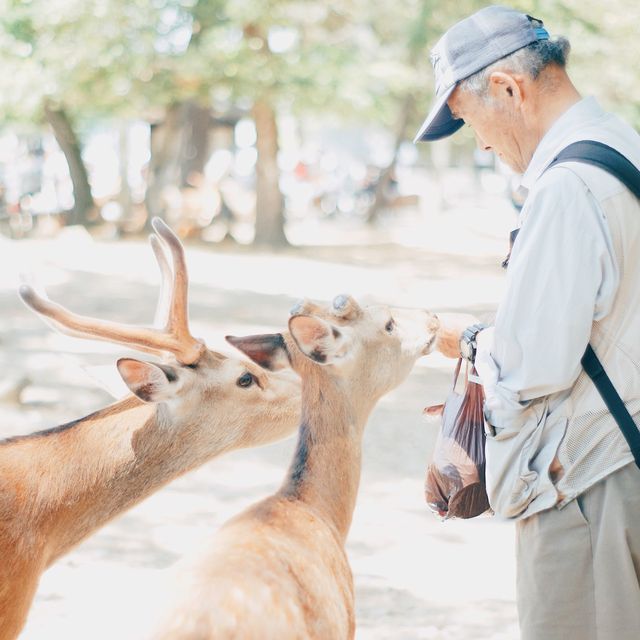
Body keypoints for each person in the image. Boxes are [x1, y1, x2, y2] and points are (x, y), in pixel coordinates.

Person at [414, 6, 640, 640]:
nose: (481, 143)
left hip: (590, 485)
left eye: (469, 120)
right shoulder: (623, 147)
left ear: (510, 88)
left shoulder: (566, 187)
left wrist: (470, 341)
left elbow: (532, 366)